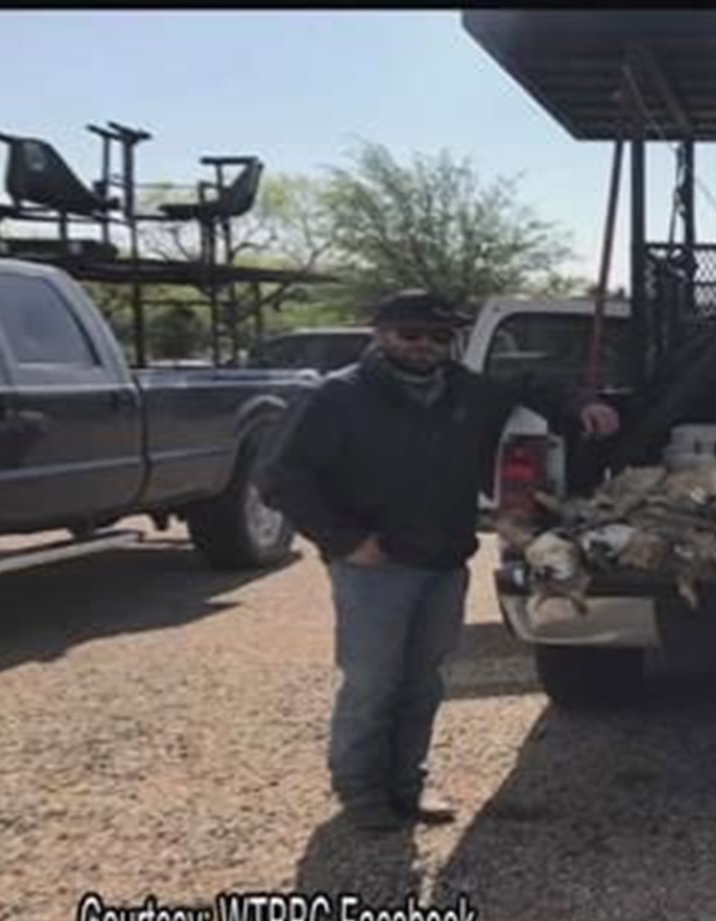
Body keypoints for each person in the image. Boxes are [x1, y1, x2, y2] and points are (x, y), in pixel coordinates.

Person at [261, 290, 622, 832]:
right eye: (411, 334)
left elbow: (528, 386)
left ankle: (409, 784)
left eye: (438, 337)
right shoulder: (338, 396)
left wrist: (579, 405)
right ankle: (361, 793)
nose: (425, 346)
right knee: (373, 681)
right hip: (373, 565)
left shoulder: (466, 391)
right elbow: (281, 479)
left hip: (444, 560)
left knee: (425, 680)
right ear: (380, 335)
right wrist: (344, 540)